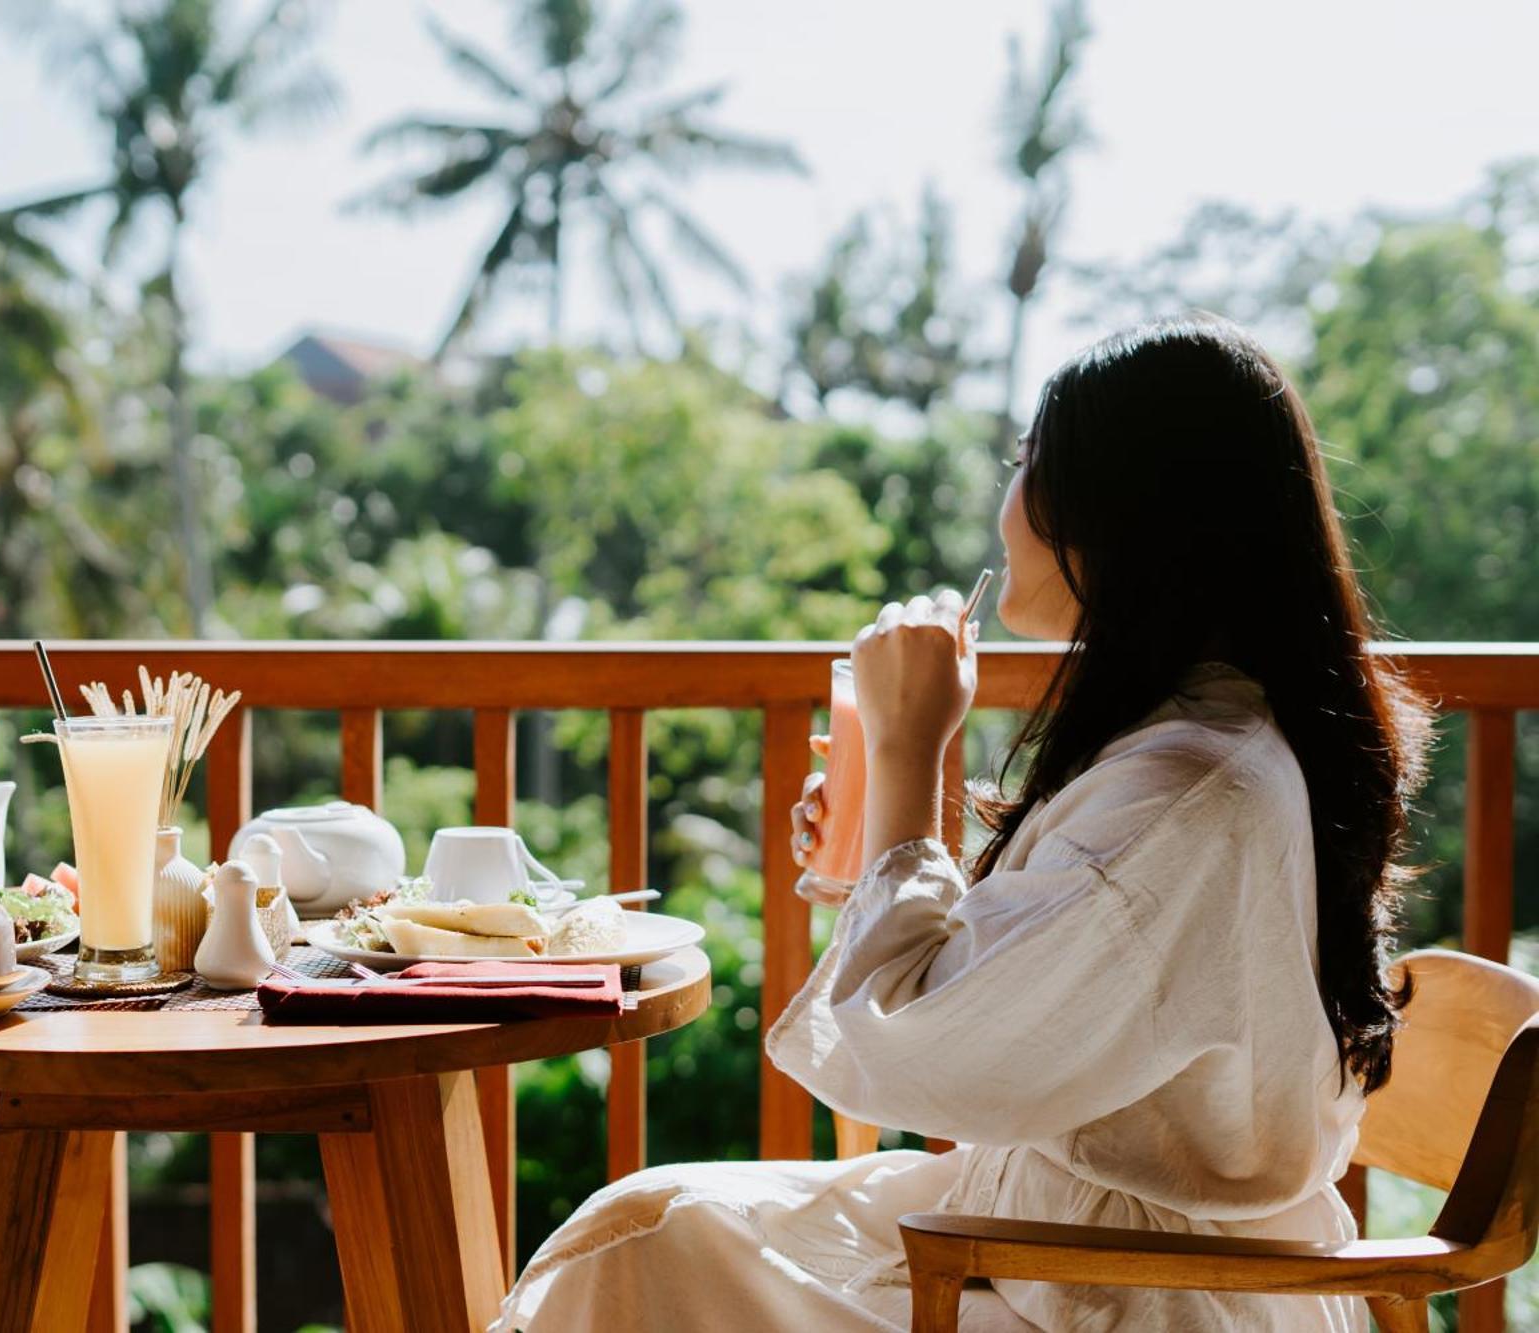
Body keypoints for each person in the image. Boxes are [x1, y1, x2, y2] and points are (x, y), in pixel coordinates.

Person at [492, 316, 1430, 1332]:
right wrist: (881, 838)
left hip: (1118, 1286)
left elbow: (921, 1054)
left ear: (1117, 511)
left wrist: (902, 760)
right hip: (1056, 1246)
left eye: (1028, 463)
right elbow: (1028, 989)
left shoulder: (1188, 792)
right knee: (642, 1217)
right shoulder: (1204, 742)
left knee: (640, 1251)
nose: (1006, 504)